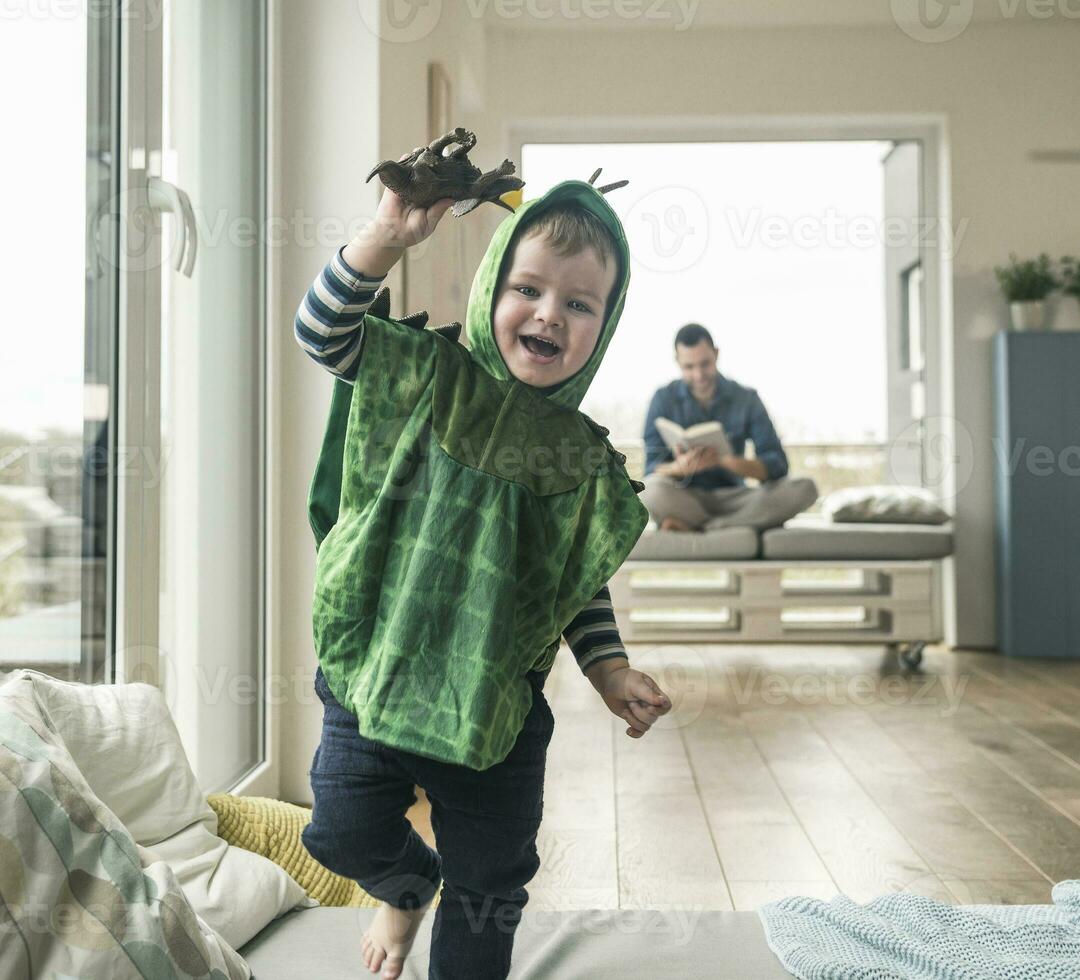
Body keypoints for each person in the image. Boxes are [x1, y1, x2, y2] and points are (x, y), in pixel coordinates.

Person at [293, 171, 671, 979]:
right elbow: (322, 332)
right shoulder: (423, 375)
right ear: (491, 285)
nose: (549, 314)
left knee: (491, 884)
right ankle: (406, 886)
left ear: (604, 328)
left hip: (492, 710)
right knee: (339, 834)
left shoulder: (579, 457)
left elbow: (571, 581)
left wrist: (609, 669)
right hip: (376, 673)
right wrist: (383, 240)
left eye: (580, 304)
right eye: (528, 288)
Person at [641, 323, 818, 532]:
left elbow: (777, 465)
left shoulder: (746, 398)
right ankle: (740, 524)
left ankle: (704, 528)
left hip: (737, 497)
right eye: (689, 367)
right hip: (686, 497)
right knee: (650, 491)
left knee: (805, 487)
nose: (698, 375)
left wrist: (725, 461)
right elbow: (652, 468)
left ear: (716, 354)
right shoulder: (663, 399)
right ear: (677, 362)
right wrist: (678, 468)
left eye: (705, 364)